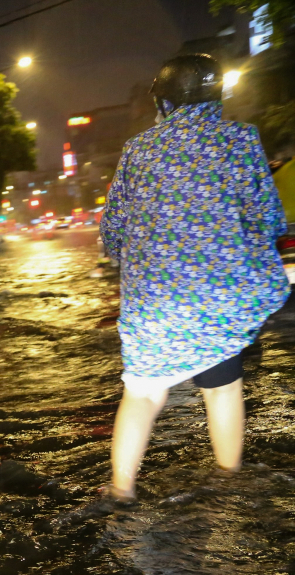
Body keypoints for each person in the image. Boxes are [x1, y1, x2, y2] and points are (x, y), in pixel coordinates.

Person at [100, 54, 290, 502]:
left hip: (153, 308)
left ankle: (121, 490)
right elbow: (266, 219)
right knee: (222, 391)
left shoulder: (137, 150)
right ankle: (228, 485)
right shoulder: (240, 140)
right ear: (215, 96)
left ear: (163, 102)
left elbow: (112, 234)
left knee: (143, 395)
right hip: (218, 303)